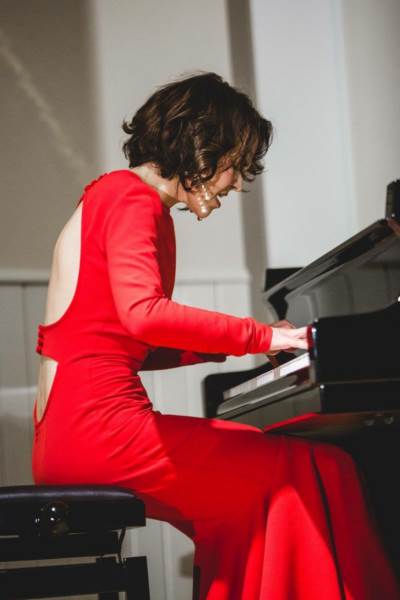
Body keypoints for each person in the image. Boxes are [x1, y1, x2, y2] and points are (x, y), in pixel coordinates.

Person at [32, 72, 399, 600]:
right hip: (99, 430)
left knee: (253, 495)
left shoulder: (115, 197)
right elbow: (145, 316)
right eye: (236, 165)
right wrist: (262, 338)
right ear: (204, 145)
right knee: (311, 468)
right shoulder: (132, 198)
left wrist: (240, 345)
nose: (236, 184)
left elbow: (130, 340)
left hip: (68, 432)